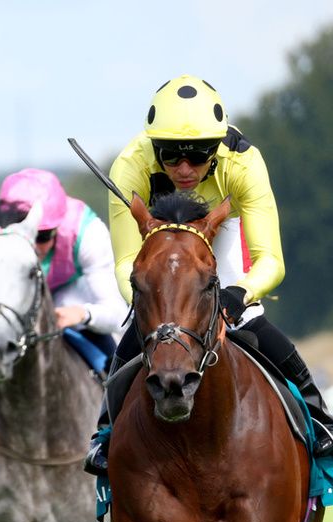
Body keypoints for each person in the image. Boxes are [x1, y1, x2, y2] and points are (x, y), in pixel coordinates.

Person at [84, 74, 333, 475]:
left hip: (221, 230)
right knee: (139, 326)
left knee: (249, 320)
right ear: (154, 148)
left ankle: (320, 419)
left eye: (198, 158)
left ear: (216, 151)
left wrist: (240, 293)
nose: (184, 168)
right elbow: (125, 261)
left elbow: (271, 259)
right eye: (171, 157)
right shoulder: (130, 165)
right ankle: (105, 432)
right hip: (160, 242)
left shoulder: (244, 162)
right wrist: (149, 302)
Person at [0, 168, 127, 442]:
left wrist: (83, 314)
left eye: (43, 235)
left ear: (59, 227)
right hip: (8, 301)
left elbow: (118, 313)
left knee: (116, 361)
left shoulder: (88, 232)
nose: (34, 245)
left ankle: (117, 429)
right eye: (27, 234)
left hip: (70, 296)